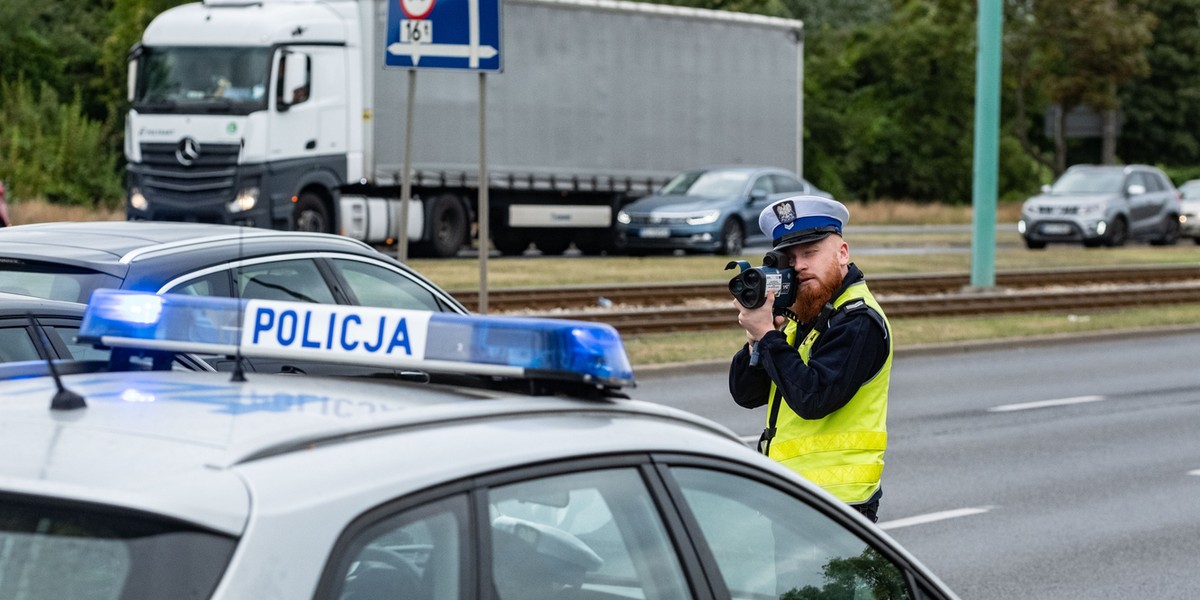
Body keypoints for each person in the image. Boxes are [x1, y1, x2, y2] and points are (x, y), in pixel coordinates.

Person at [729, 195, 892, 522]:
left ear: (842, 253)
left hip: (841, 507)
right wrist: (756, 340)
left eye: (810, 253)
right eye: (790, 258)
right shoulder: (804, 317)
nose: (799, 265)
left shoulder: (858, 321)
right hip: (795, 499)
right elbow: (747, 394)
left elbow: (813, 397)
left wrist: (768, 336)